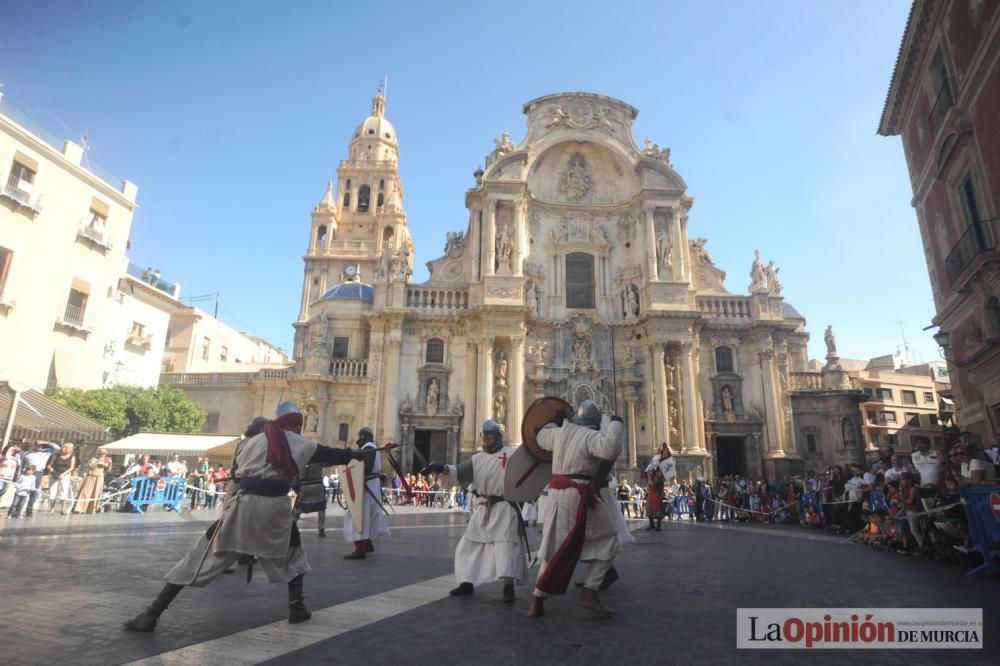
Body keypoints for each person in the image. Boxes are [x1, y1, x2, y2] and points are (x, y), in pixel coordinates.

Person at [123, 401, 366, 632]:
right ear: (296, 425)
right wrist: (361, 454)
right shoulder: (301, 443)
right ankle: (296, 607)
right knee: (294, 554)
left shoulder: (252, 442)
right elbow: (334, 455)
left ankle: (152, 613)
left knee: (199, 556)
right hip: (275, 510)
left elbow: (238, 473)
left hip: (243, 506)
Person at [527, 399, 624, 618]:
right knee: (609, 539)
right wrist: (616, 423)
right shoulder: (590, 437)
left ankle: (536, 600)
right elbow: (610, 449)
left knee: (553, 548)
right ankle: (590, 591)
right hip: (579, 495)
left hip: (556, 496)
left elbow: (540, 437)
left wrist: (553, 421)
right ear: (594, 422)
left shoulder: (559, 434)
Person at [423, 419, 526, 603]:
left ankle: (508, 587)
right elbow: (459, 471)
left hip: (503, 508)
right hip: (483, 508)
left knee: (505, 548)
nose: (485, 438)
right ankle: (466, 582)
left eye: (489, 434)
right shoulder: (477, 459)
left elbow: (527, 468)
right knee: (467, 546)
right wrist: (440, 467)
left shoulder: (511, 454)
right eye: (483, 435)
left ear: (497, 436)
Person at [343, 427, 390, 558]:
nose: (358, 440)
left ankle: (360, 548)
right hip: (370, 484)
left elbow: (366, 467)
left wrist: (353, 473)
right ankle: (367, 543)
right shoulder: (372, 447)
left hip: (365, 485)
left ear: (363, 436)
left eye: (359, 437)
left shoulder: (369, 448)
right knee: (367, 515)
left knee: (359, 516)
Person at [644, 442, 675, 531]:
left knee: (657, 508)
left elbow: (655, 482)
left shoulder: (662, 468)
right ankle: (652, 525)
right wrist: (650, 475)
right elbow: (651, 468)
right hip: (652, 489)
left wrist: (651, 478)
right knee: (649, 507)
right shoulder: (656, 461)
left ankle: (658, 527)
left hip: (657, 488)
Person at [74, 447, 111, 514]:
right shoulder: (94, 459)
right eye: (101, 454)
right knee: (85, 493)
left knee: (96, 493)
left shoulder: (106, 459)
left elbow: (108, 470)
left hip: (99, 478)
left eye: (104, 454)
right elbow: (91, 467)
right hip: (91, 477)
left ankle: (91, 509)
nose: (103, 455)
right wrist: (98, 461)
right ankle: (80, 508)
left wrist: (110, 464)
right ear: (98, 454)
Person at [46, 443, 77, 515]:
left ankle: (63, 509)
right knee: (52, 491)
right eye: (69, 448)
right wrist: (51, 470)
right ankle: (52, 509)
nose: (70, 450)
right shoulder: (56, 455)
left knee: (63, 492)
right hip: (55, 474)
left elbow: (72, 467)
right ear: (65, 448)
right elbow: (49, 465)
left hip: (65, 475)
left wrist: (63, 474)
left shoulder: (72, 457)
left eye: (71, 449)